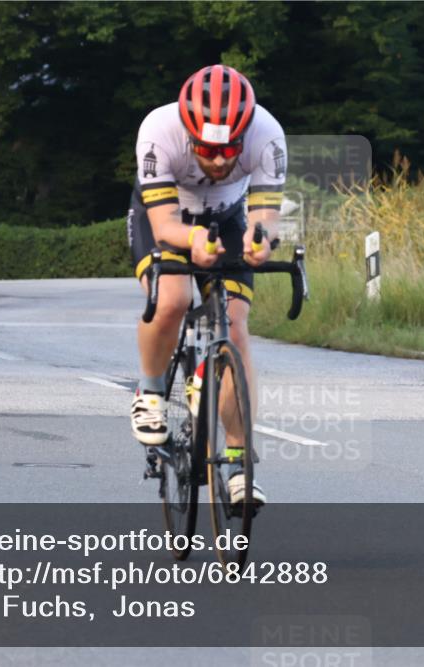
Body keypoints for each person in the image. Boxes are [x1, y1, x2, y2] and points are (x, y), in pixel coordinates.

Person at [127, 64, 286, 505]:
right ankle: (152, 391)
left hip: (228, 218)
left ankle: (236, 463)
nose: (218, 161)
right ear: (189, 134)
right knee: (173, 298)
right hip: (167, 218)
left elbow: (264, 216)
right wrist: (193, 240)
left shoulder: (268, 134)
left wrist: (262, 241)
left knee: (235, 325)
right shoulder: (159, 129)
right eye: (207, 150)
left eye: (229, 151)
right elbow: (163, 224)